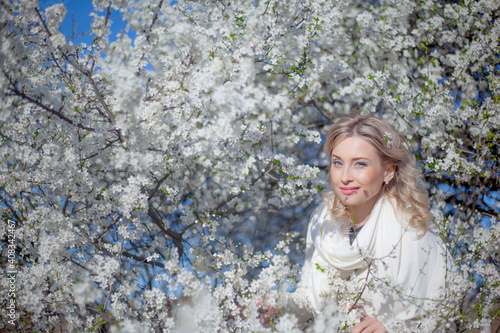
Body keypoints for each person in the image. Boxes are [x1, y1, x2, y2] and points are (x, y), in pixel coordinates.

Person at [259, 115, 451, 332]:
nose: (345, 177)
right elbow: (308, 299)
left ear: (388, 171)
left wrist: (393, 328)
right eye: (337, 163)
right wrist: (279, 306)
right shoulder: (322, 223)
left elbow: (440, 314)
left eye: (360, 164)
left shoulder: (412, 233)